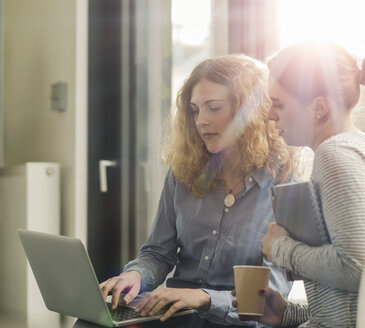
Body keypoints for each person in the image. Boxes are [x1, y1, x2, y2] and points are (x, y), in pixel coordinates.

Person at [234, 41, 365, 328]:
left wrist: (281, 248)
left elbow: (358, 266)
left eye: (279, 104)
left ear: (319, 108)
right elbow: (360, 297)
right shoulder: (363, 146)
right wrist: (287, 314)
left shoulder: (336, 155)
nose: (270, 115)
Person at [99, 54, 296, 326]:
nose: (201, 120)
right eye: (195, 110)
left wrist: (205, 298)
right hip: (177, 316)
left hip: (238, 321)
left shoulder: (285, 181)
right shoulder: (184, 171)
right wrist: (135, 276)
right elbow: (157, 253)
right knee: (91, 322)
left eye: (213, 108)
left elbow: (271, 294)